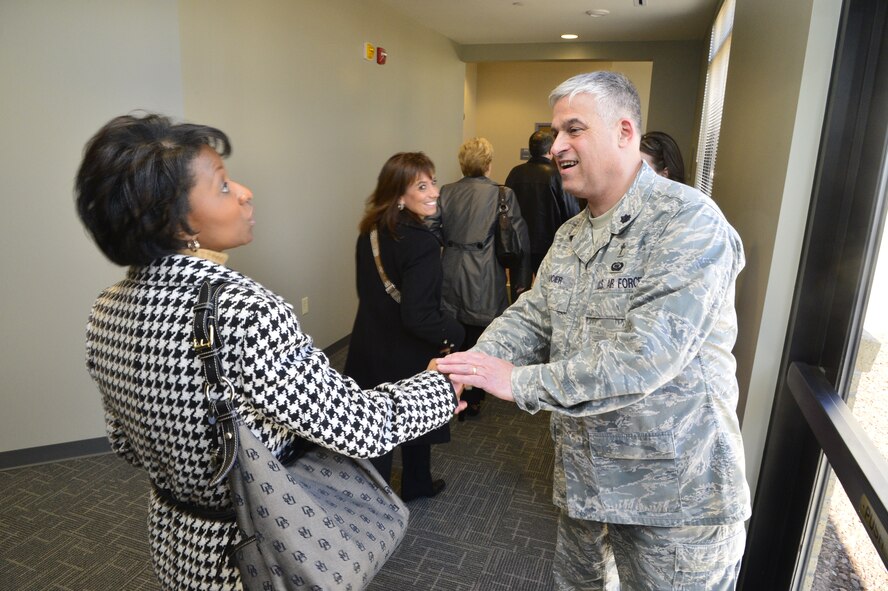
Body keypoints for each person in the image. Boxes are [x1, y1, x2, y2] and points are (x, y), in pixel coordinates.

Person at [75, 113, 463, 590]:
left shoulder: (106, 308)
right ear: (173, 219)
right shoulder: (242, 309)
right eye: (222, 186)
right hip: (254, 548)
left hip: (175, 541)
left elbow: (125, 445)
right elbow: (358, 427)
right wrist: (439, 388)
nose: (244, 192)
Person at [438, 71, 751, 590]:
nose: (556, 146)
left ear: (624, 131)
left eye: (573, 129)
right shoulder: (571, 233)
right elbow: (533, 315)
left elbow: (645, 356)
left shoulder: (689, 222)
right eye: (555, 132)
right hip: (586, 487)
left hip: (673, 504)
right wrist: (473, 364)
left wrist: (516, 381)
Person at [345, 152, 465, 501]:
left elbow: (367, 292)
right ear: (399, 194)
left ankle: (376, 499)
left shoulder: (370, 232)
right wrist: (455, 333)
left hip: (369, 341)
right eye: (422, 186)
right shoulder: (421, 242)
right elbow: (420, 316)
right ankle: (416, 485)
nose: (434, 192)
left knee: (377, 425)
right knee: (415, 416)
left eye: (433, 183)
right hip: (408, 348)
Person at [428, 137, 530, 419]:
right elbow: (518, 241)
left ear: (462, 164)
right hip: (485, 273)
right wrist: (520, 284)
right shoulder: (503, 194)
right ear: (488, 164)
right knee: (480, 338)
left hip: (450, 269)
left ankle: (450, 393)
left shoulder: (446, 192)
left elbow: (429, 229)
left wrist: (451, 242)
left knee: (453, 334)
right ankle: (473, 398)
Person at [505, 131, 580, 275]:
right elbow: (571, 213)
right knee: (548, 285)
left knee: (520, 286)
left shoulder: (515, 173)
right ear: (550, 150)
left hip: (519, 244)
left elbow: (505, 209)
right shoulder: (557, 176)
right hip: (550, 245)